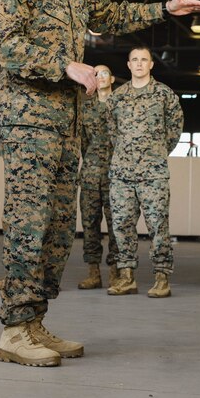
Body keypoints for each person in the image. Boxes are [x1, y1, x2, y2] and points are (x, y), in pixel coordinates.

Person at [0, 0, 200, 367]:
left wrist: (163, 11)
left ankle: (34, 321)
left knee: (56, 225)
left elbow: (113, 16)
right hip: (28, 119)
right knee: (29, 222)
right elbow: (3, 46)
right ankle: (13, 327)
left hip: (67, 123)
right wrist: (65, 65)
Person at [106, 48, 184, 298]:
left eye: (144, 60)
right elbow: (112, 132)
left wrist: (157, 152)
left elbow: (174, 128)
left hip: (153, 173)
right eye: (135, 60)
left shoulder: (163, 95)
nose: (139, 64)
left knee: (158, 226)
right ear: (128, 65)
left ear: (151, 64)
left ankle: (161, 278)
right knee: (121, 226)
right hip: (122, 173)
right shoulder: (117, 97)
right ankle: (126, 276)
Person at [77, 64, 117, 290]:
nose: (100, 77)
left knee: (116, 226)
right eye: (96, 74)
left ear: (111, 78)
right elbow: (83, 143)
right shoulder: (85, 108)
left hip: (115, 176)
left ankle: (115, 271)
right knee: (90, 225)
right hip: (91, 175)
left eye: (104, 73)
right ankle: (93, 272)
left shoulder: (120, 105)